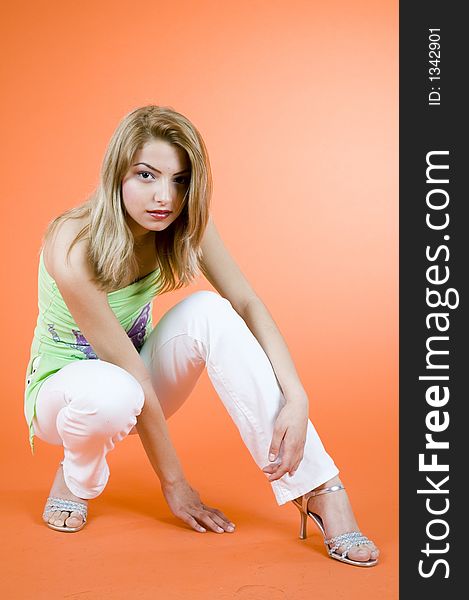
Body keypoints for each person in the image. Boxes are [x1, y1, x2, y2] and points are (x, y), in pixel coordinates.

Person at [24, 105, 379, 567]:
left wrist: (297, 395)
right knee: (110, 392)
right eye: (147, 175)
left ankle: (319, 488)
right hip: (63, 396)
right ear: (117, 174)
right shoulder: (71, 244)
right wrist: (175, 485)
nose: (164, 198)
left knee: (212, 309)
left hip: (135, 391)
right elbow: (132, 374)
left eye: (180, 180)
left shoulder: (183, 223)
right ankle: (78, 474)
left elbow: (247, 302)